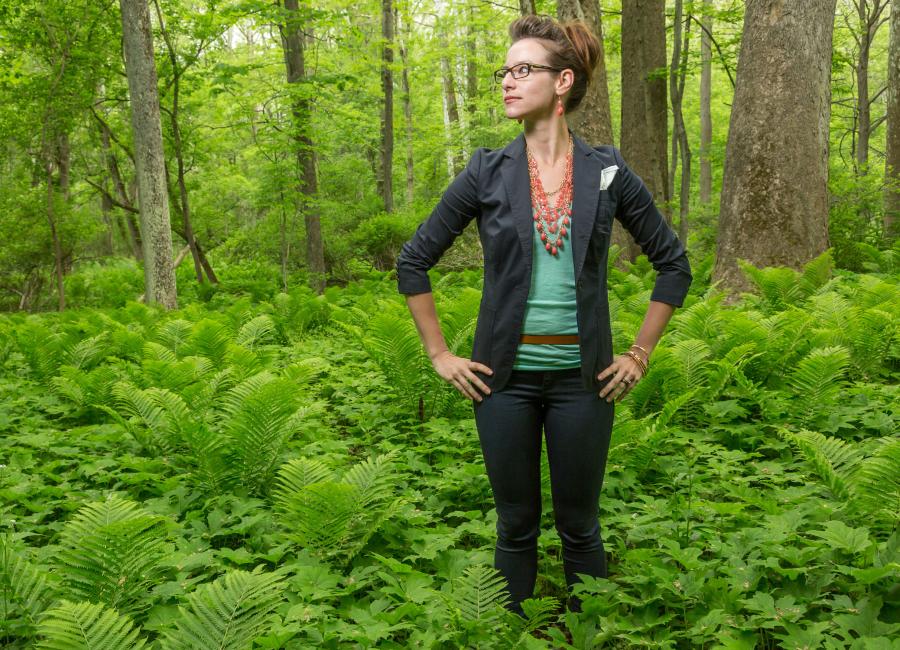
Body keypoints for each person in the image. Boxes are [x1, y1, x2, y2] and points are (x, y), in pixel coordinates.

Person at [395, 14, 692, 617]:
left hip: (582, 384)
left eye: (522, 69)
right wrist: (440, 354)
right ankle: (513, 630)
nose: (507, 80)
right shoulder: (486, 169)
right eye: (505, 70)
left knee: (580, 526)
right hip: (502, 383)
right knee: (516, 527)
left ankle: (589, 631)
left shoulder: (606, 171)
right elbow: (413, 261)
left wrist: (638, 354)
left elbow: (674, 264)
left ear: (563, 82)